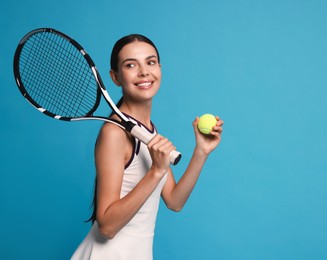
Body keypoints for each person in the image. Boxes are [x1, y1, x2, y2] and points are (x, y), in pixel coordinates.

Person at [71, 34, 223, 259]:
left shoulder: (149, 130)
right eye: (131, 65)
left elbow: (174, 201)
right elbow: (107, 226)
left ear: (160, 69)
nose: (144, 72)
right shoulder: (114, 133)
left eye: (150, 62)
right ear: (115, 77)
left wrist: (201, 152)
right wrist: (156, 171)